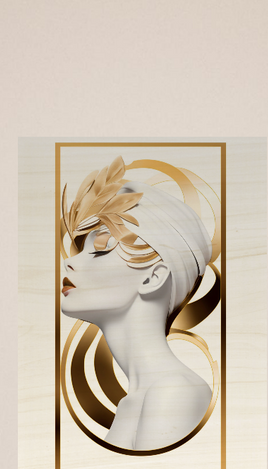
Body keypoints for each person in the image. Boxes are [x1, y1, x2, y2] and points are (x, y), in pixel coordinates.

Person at [60, 156, 213, 451]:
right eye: (81, 248)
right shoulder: (135, 401)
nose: (69, 262)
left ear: (153, 277)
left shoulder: (175, 392)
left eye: (101, 247)